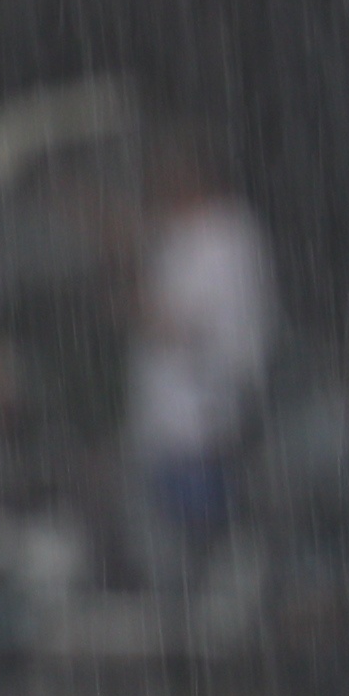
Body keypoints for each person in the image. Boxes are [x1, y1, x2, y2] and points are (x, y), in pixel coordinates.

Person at [125, 124, 275, 577]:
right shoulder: (177, 236)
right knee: (162, 543)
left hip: (203, 422)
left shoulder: (227, 238)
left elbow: (190, 324)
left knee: (202, 548)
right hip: (164, 426)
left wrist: (142, 307)